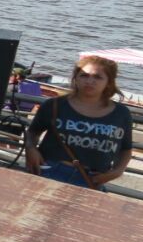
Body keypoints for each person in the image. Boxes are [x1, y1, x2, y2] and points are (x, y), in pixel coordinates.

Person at [24, 55, 134, 189]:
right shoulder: (55, 105)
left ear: (109, 82)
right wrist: (30, 148)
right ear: (75, 78)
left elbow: (126, 148)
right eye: (84, 75)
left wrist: (117, 171)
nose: (90, 81)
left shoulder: (121, 113)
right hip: (50, 170)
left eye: (97, 77)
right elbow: (33, 132)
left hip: (92, 179)